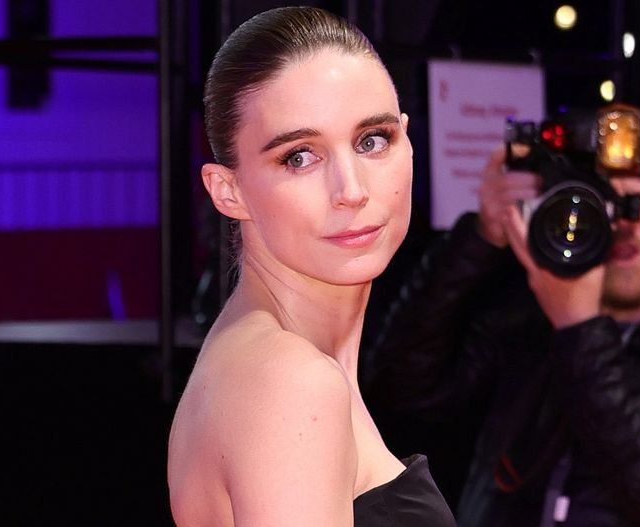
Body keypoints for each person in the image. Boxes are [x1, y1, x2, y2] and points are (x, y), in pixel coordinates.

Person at [363, 113, 640, 526]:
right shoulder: (533, 314)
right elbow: (401, 388)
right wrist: (480, 238)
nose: (622, 222)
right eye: (605, 201)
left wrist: (580, 329)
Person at [166, 7, 455, 526]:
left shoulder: (261, 357)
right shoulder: (291, 384)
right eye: (300, 156)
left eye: (372, 141)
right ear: (228, 191)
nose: (351, 191)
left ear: (408, 141)